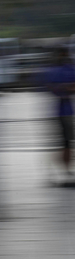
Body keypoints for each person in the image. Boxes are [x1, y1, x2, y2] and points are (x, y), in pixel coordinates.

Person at [45, 46, 75, 184]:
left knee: (64, 142)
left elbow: (53, 88)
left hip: (61, 111)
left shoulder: (55, 70)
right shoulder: (62, 69)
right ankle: (64, 172)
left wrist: (65, 88)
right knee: (66, 142)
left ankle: (60, 171)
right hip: (63, 112)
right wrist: (67, 88)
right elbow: (56, 88)